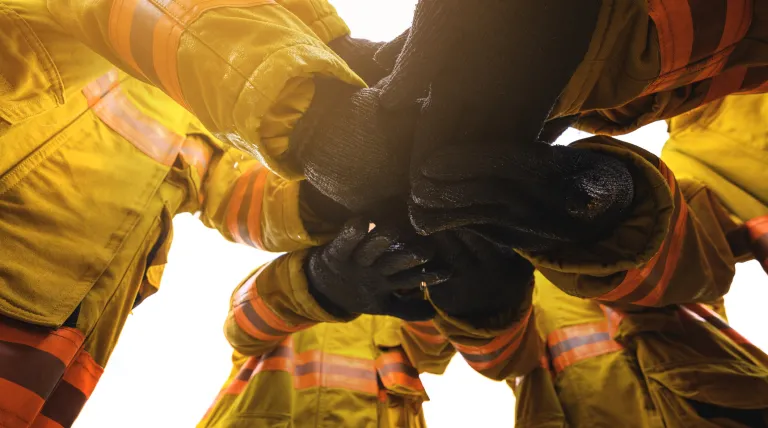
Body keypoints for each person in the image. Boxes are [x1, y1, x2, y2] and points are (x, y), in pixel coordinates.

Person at [0, 3, 402, 424]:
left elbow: (235, 195)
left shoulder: (197, 121)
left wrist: (324, 200)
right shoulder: (134, 36)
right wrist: (321, 95)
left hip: (56, 334)